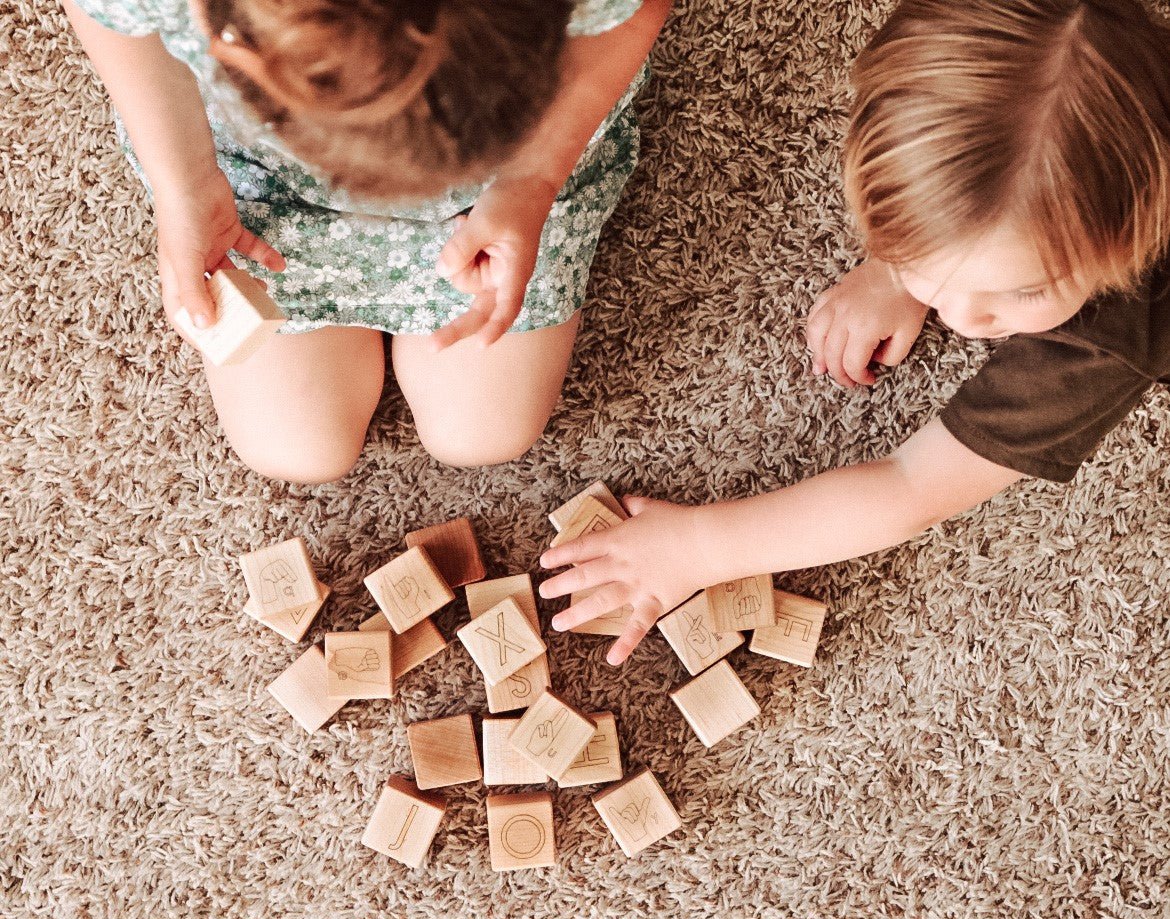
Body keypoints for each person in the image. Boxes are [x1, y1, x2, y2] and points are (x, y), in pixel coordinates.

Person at [540, 0, 1170, 665]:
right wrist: (890, 272)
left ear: (1129, 240)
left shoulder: (1105, 341)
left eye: (1023, 292)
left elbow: (910, 489)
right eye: (928, 263)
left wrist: (700, 547)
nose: (963, 320)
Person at [61, 0, 672, 481]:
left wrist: (532, 179)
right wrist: (185, 185)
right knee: (295, 448)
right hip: (265, 178)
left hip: (511, 179)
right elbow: (109, 19)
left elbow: (635, 11)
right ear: (238, 53)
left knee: (482, 433)